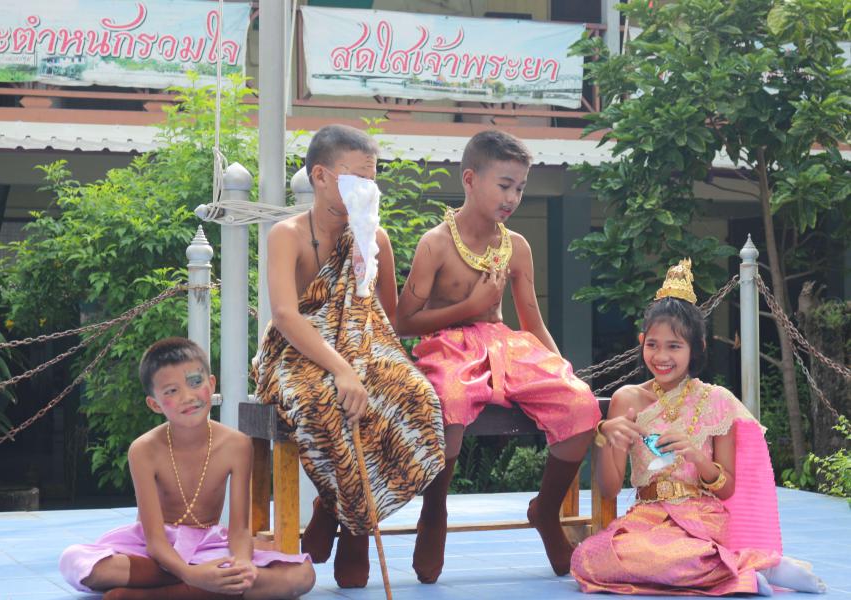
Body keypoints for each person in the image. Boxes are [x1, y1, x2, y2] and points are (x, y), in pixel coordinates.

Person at [395, 129, 601, 583]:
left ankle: (546, 511)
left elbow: (532, 321)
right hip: (447, 348)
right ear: (470, 179)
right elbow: (403, 322)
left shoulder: (517, 246)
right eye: (504, 185)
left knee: (581, 404)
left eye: (520, 188)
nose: (513, 198)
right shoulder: (435, 243)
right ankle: (434, 510)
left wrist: (562, 369)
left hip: (506, 349)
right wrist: (470, 307)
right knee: (449, 399)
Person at [252, 124, 445, 588]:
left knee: (418, 396)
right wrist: (341, 369)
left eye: (372, 179)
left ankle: (341, 516)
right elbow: (284, 314)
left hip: (364, 344)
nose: (368, 189)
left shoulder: (374, 238)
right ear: (321, 176)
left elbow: (383, 316)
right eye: (357, 178)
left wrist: (371, 362)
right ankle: (354, 523)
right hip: (296, 353)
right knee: (324, 402)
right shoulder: (286, 235)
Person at [571, 259, 827, 596]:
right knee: (588, 559)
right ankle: (748, 567)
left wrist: (696, 456)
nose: (661, 356)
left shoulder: (717, 400)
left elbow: (727, 489)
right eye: (653, 344)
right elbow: (609, 489)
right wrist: (606, 438)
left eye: (674, 346)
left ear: (697, 348)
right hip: (647, 520)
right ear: (641, 341)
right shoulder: (627, 399)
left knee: (670, 556)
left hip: (702, 519)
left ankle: (737, 568)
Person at [59, 337, 314, 600]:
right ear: (154, 404)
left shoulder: (237, 445)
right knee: (76, 561)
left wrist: (241, 564)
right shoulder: (144, 450)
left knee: (302, 575)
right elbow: (155, 540)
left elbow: (239, 531)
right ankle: (205, 588)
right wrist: (192, 574)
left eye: (195, 383)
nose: (187, 397)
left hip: (209, 547)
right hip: (154, 551)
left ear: (211, 384)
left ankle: (156, 595)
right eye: (171, 391)